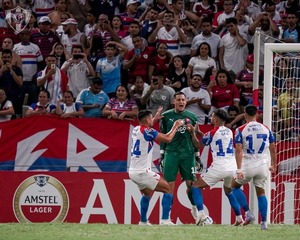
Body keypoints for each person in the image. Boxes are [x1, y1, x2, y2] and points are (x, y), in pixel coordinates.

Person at [129, 109, 185, 225]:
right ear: (147, 120)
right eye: (151, 118)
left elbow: (146, 126)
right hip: (142, 172)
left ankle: (143, 221)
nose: (152, 120)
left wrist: (155, 118)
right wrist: (176, 125)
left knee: (147, 193)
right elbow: (168, 138)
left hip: (133, 172)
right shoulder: (148, 131)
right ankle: (165, 220)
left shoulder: (136, 129)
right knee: (168, 188)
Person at [189, 109, 243, 226]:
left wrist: (193, 133)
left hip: (219, 166)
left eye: (212, 116)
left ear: (216, 119)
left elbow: (198, 145)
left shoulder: (212, 133)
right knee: (229, 191)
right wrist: (200, 133)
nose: (211, 118)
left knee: (195, 187)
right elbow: (212, 139)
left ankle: (201, 215)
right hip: (232, 166)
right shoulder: (229, 131)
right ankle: (239, 218)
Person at [159, 91, 203, 225]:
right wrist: (162, 156)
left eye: (183, 100)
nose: (181, 102)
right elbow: (162, 136)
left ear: (186, 101)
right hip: (171, 154)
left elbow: (194, 138)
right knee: (169, 186)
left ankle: (195, 209)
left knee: (191, 185)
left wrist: (197, 157)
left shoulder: (192, 117)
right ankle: (165, 218)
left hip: (188, 155)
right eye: (178, 100)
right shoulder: (166, 116)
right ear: (174, 101)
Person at [231, 104, 277, 230]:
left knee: (233, 187)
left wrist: (239, 169)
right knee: (261, 194)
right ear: (256, 115)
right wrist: (274, 164)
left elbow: (239, 150)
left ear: (245, 115)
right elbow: (272, 148)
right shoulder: (266, 128)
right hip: (263, 166)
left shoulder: (240, 129)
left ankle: (248, 213)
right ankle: (264, 223)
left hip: (248, 165)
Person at [0, 49, 23, 116]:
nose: (6, 59)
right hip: (1, 99)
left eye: (8, 57)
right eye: (4, 57)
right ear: (1, 58)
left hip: (14, 98)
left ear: (11, 58)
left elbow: (20, 83)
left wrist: (11, 71)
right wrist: (1, 70)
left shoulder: (17, 69)